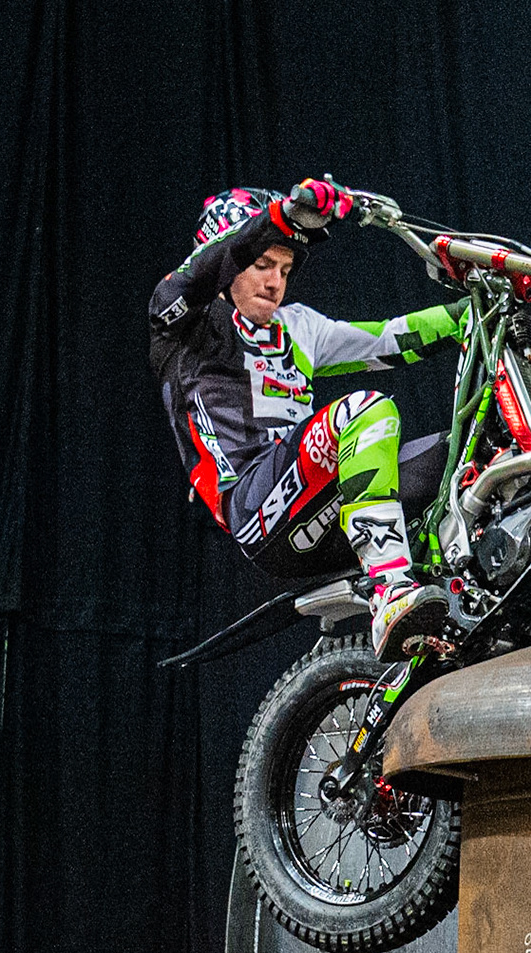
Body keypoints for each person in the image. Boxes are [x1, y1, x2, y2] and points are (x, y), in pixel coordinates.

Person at [149, 181, 467, 661]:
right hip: (253, 509)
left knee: (464, 454)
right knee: (366, 410)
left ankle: (470, 593)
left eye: (285, 267)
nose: (276, 281)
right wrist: (282, 218)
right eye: (262, 265)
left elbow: (390, 339)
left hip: (320, 504)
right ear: (229, 261)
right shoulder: (185, 327)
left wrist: (477, 312)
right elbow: (195, 276)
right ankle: (390, 589)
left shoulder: (298, 325)